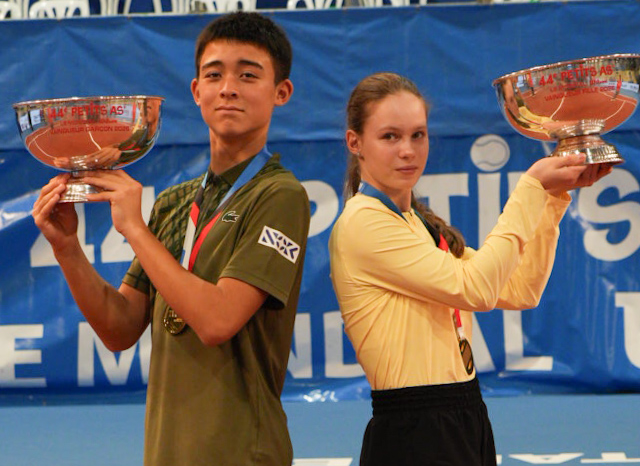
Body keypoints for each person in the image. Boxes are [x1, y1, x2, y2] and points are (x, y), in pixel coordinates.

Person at [32, 12, 310, 466]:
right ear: (196, 91)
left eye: (248, 75)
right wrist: (67, 249)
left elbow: (217, 321)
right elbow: (120, 328)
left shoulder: (280, 194)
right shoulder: (175, 203)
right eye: (214, 75)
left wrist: (135, 229)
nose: (228, 88)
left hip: (243, 453)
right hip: (167, 453)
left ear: (281, 92)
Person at [328, 72, 613, 466]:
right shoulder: (363, 222)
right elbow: (476, 289)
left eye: (418, 135)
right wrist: (530, 186)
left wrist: (551, 197)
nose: (408, 150)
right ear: (355, 142)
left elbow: (520, 288)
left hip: (464, 413)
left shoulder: (416, 223)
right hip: (414, 431)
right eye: (390, 136)